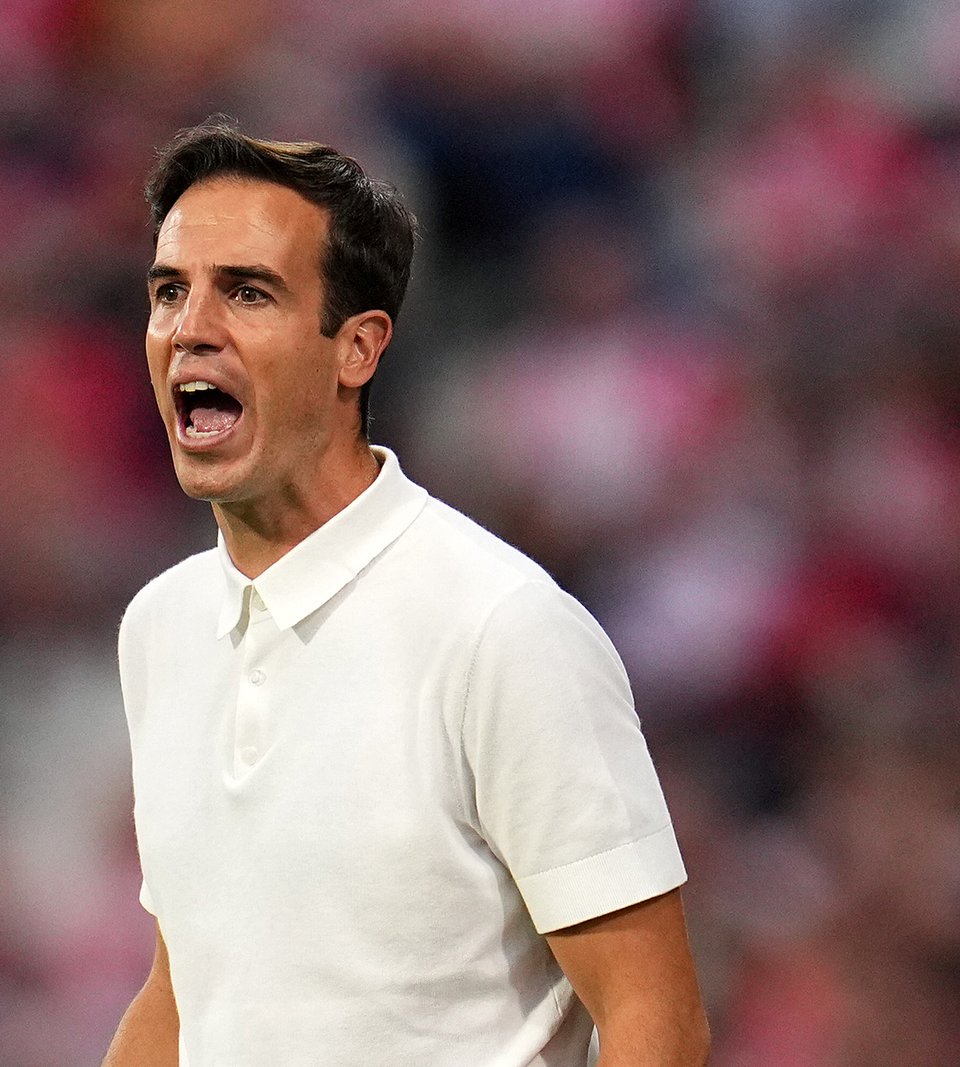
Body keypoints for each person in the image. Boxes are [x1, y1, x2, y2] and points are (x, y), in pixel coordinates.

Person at [103, 121, 709, 1066]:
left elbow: (654, 1017)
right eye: (170, 291)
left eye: (247, 292)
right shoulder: (161, 629)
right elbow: (189, 988)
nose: (191, 328)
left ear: (358, 348)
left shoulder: (502, 629)